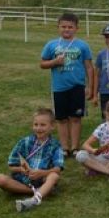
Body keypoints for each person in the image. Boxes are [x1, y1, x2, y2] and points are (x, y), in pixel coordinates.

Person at [39, 12, 93, 157]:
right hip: (59, 87)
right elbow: (42, 63)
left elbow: (89, 67)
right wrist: (54, 62)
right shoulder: (51, 45)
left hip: (77, 87)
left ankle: (74, 147)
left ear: (76, 28)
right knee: (61, 119)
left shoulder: (82, 45)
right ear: (58, 27)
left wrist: (90, 86)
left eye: (70, 27)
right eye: (63, 27)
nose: (67, 29)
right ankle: (64, 148)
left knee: (75, 118)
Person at [0, 108, 64, 212]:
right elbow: (11, 166)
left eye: (43, 125)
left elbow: (58, 169)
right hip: (22, 179)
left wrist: (42, 173)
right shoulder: (24, 142)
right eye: (36, 124)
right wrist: (21, 170)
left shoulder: (56, 145)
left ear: (52, 126)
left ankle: (34, 200)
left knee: (54, 176)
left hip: (42, 179)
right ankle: (40, 191)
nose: (38, 128)